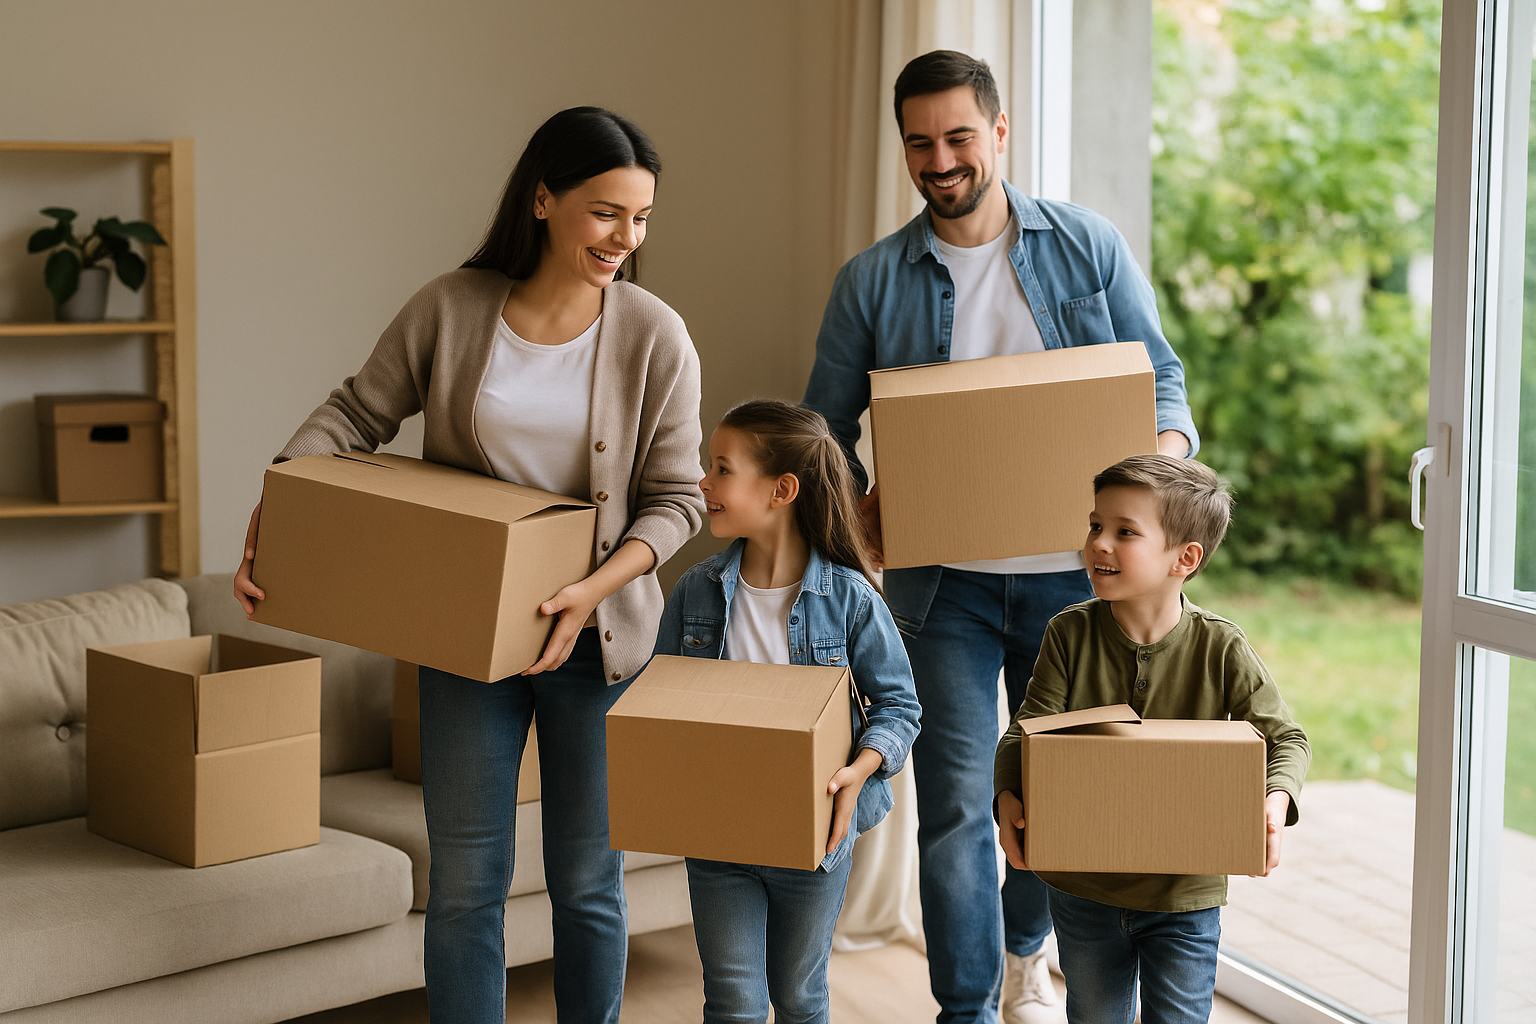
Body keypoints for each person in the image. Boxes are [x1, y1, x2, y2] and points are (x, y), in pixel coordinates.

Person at [232, 107, 705, 1024]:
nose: (626, 238)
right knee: (465, 885)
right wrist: (282, 498)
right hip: (465, 640)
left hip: (599, 643)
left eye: (641, 218)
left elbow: (677, 499)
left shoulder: (657, 335)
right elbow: (353, 414)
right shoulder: (451, 307)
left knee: (588, 882)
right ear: (542, 198)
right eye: (605, 212)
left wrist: (590, 592)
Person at [802, 49, 1201, 1024]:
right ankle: (965, 1006)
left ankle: (1029, 953)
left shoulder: (1086, 246)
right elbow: (820, 432)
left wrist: (1155, 481)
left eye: (959, 138)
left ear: (999, 133)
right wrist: (858, 506)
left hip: (1075, 580)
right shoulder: (871, 281)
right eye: (920, 143)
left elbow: (1167, 387)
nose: (941, 159)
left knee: (1054, 794)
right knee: (952, 805)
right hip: (942, 589)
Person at [993, 454, 1310, 1024]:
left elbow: (1285, 738)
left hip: (1184, 896)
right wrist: (1008, 793)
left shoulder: (1221, 649)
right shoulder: (1069, 633)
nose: (1098, 544)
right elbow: (1028, 728)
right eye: (1095, 525)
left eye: (1125, 532)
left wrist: (1275, 799)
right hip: (1083, 888)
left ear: (1184, 559)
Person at [653, 399, 921, 1024]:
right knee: (733, 999)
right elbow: (660, 702)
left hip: (814, 838)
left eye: (722, 468)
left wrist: (862, 770)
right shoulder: (697, 590)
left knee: (800, 997)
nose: (704, 482)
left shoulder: (851, 599)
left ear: (782, 490)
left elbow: (900, 706)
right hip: (718, 833)